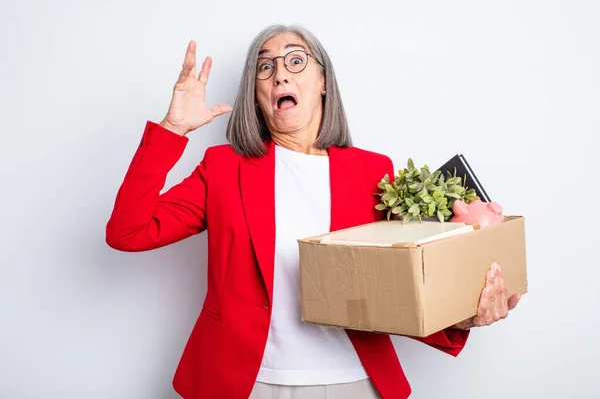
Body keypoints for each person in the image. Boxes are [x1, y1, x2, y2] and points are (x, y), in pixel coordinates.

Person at [105, 24, 521, 399]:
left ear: (322, 80)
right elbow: (128, 231)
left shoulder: (374, 173)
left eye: (295, 60)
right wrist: (172, 130)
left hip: (354, 380)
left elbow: (404, 287)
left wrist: (464, 316)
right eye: (264, 68)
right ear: (256, 92)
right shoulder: (223, 168)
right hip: (243, 382)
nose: (280, 74)